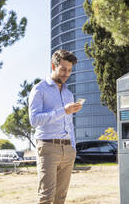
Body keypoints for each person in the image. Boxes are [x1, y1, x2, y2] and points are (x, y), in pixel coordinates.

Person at [29, 49, 82, 204]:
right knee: (46, 197)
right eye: (63, 69)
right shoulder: (39, 89)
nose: (67, 74)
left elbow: (69, 123)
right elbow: (34, 120)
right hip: (48, 147)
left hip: (68, 149)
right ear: (54, 66)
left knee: (61, 197)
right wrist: (63, 111)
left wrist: (73, 146)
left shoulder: (68, 94)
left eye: (70, 70)